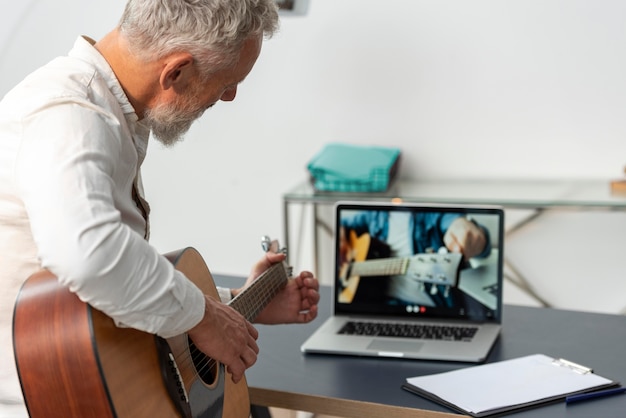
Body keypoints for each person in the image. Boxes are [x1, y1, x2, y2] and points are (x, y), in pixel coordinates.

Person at [0, 1, 319, 416]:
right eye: (227, 82)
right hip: (56, 397)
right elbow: (88, 255)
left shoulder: (114, 114)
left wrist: (237, 302)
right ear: (177, 71)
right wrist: (204, 317)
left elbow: (111, 294)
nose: (229, 96)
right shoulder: (70, 114)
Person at [338, 209, 491, 308]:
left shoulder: (435, 213)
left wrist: (469, 232)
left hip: (440, 313)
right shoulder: (374, 215)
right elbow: (341, 225)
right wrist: (341, 240)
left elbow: (457, 225)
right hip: (383, 311)